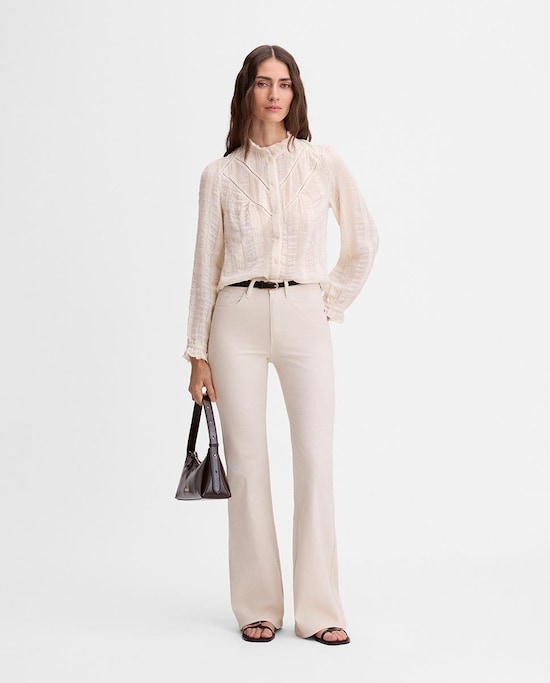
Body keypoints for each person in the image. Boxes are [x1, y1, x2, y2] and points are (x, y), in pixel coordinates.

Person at [184, 44, 379, 645]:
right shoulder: (219, 175)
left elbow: (364, 240)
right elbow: (205, 266)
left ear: (296, 93)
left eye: (285, 83)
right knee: (247, 465)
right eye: (264, 83)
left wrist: (326, 302)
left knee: (314, 460)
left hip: (303, 313)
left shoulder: (322, 162)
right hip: (235, 318)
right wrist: (197, 353)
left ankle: (320, 610)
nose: (275, 94)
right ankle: (257, 606)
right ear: (247, 90)